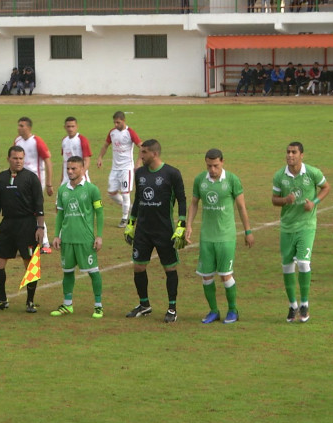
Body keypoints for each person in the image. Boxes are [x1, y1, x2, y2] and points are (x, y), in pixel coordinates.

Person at [185, 149, 254, 324]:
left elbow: (241, 207)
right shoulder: (200, 180)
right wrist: (189, 225)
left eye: (215, 166)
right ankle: (213, 311)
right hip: (207, 237)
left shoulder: (232, 180)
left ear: (223, 162)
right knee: (206, 276)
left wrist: (248, 231)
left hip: (226, 236)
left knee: (225, 275)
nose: (212, 169)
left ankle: (232, 310)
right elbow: (194, 204)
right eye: (209, 166)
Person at [124, 139, 186, 323]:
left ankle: (172, 308)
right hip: (143, 229)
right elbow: (138, 198)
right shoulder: (140, 173)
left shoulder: (172, 173)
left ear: (154, 154)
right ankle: (144, 305)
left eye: (143, 152)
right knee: (138, 266)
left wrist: (181, 225)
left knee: (169, 268)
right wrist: (131, 222)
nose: (140, 156)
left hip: (164, 230)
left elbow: (182, 200)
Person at [272, 142, 330, 323]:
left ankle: (304, 303)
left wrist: (314, 203)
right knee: (287, 266)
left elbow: (326, 187)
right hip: (287, 227)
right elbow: (274, 200)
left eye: (294, 152)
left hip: (306, 226)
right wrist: (285, 200)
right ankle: (292, 305)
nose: (290, 155)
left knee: (304, 263)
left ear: (301, 155)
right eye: (288, 152)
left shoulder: (312, 172)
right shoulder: (279, 176)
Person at [0, 146, 45, 313]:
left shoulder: (31, 178)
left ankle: (30, 301)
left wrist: (40, 227)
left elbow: (39, 205)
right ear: (8, 159)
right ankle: (2, 300)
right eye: (15, 158)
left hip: (27, 225)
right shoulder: (0, 179)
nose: (18, 161)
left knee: (30, 264)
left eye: (21, 158)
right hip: (8, 225)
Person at [50, 155, 105, 318]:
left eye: (73, 168)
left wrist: (99, 236)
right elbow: (60, 214)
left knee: (93, 272)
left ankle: (98, 306)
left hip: (85, 239)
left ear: (82, 169)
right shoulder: (62, 190)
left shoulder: (92, 189)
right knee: (67, 272)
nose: (70, 171)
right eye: (68, 168)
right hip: (67, 239)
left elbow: (100, 213)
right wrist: (56, 235)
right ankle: (67, 305)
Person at [96, 111, 142, 228]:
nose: (116, 124)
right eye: (114, 122)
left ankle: (124, 218)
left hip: (127, 168)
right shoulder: (112, 133)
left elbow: (141, 146)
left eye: (118, 122)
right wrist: (100, 157)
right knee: (111, 193)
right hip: (115, 168)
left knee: (125, 193)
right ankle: (131, 207)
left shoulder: (130, 132)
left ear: (123, 120)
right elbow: (106, 145)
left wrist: (138, 163)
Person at [14, 116, 54, 253]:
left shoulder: (37, 141)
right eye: (18, 125)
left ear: (29, 127)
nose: (19, 128)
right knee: (25, 210)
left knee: (36, 210)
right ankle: (30, 241)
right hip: (21, 181)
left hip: (36, 181)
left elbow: (48, 160)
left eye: (21, 125)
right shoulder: (17, 141)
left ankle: (46, 244)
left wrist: (49, 183)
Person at [60, 116, 92, 185]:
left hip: (80, 179)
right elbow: (64, 161)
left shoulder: (82, 140)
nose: (70, 129)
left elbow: (87, 160)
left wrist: (81, 174)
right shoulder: (64, 141)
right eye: (68, 127)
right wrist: (62, 179)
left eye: (73, 126)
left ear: (77, 126)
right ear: (64, 127)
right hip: (66, 179)